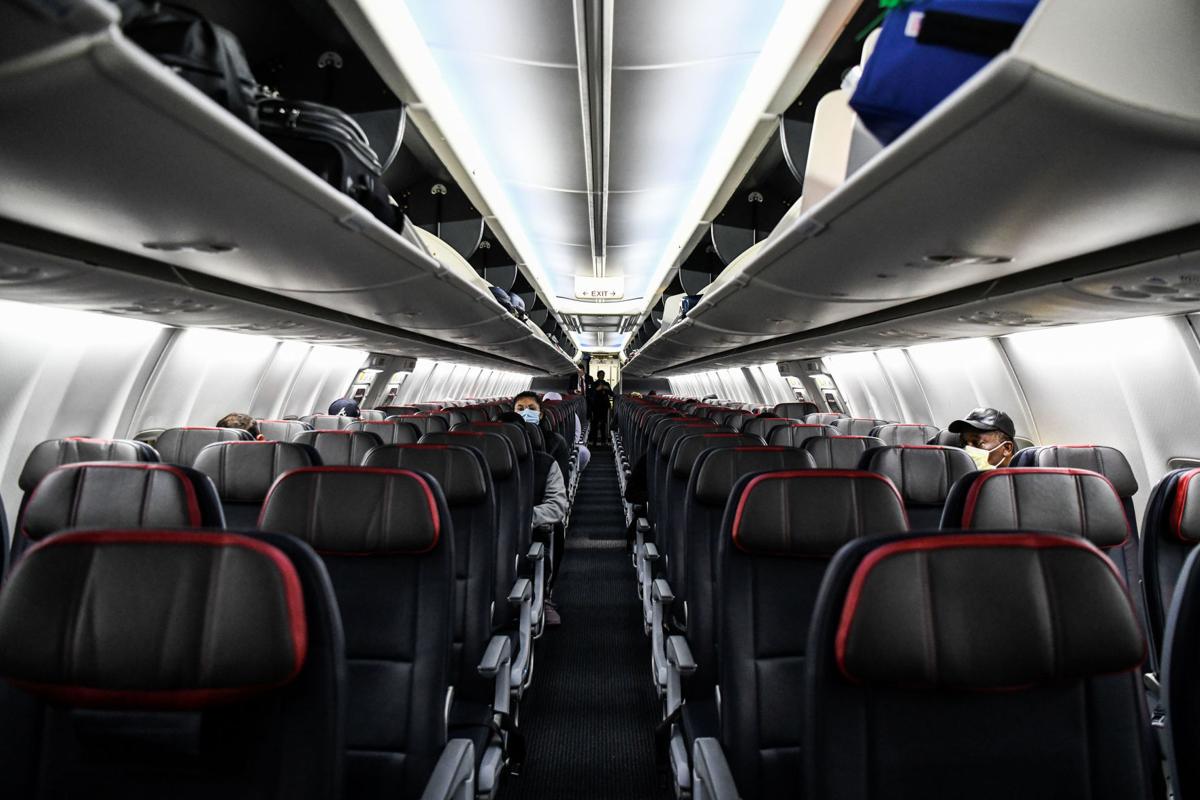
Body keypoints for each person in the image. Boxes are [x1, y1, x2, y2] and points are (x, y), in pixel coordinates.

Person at [508, 392, 570, 626]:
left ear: (541, 413)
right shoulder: (489, 456)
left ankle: (544, 596)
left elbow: (557, 500)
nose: (526, 412)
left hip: (535, 523)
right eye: (521, 407)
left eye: (531, 408)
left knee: (555, 530)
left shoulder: (553, 447)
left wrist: (524, 519)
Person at [948, 407, 1016, 470]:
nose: (967, 451)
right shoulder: (964, 481)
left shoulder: (1024, 480)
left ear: (1007, 448)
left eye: (977, 443)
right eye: (964, 443)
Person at [588, 370, 613, 446]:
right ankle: (594, 441)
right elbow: (591, 394)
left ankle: (603, 441)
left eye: (603, 375)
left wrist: (607, 389)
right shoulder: (594, 384)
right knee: (595, 424)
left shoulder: (606, 384)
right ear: (598, 375)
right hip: (596, 407)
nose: (602, 376)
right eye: (600, 375)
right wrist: (597, 389)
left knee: (603, 424)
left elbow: (611, 394)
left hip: (604, 407)